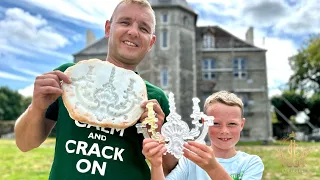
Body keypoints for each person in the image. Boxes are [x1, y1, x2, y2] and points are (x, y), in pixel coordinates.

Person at [14, 0, 177, 179]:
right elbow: (24, 144)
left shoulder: (154, 99)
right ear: (108, 28)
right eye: (125, 22)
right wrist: (36, 107)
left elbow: (172, 168)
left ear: (151, 42)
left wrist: (158, 134)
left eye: (144, 28)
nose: (133, 32)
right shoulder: (68, 78)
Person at [143, 91, 264, 180]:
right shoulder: (191, 160)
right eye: (216, 123)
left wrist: (213, 168)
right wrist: (156, 164)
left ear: (242, 124)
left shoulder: (251, 163)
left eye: (232, 124)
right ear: (203, 122)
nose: (224, 130)